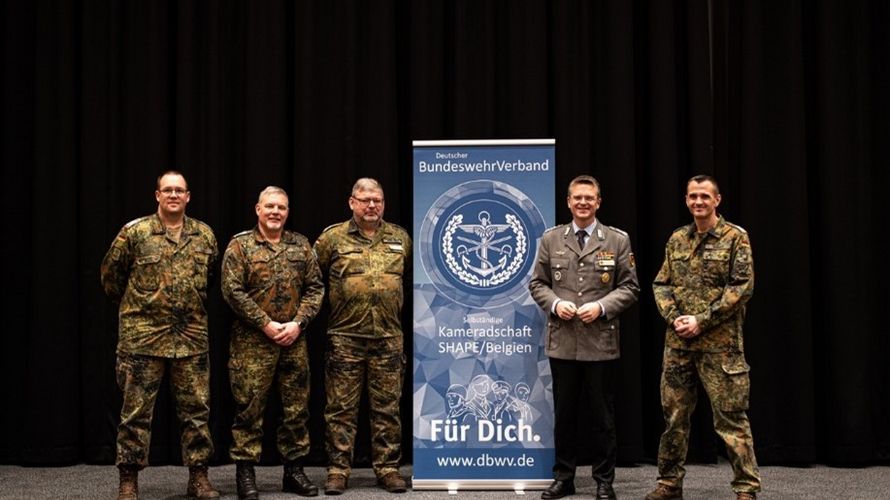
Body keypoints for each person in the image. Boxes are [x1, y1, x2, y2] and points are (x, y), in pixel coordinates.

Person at [100, 171, 219, 500]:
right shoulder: (135, 233)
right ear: (157, 195)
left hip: (191, 338)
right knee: (135, 413)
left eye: (179, 190)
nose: (173, 195)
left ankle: (198, 477)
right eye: (167, 190)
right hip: (143, 338)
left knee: (196, 411)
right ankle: (128, 479)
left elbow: (209, 279)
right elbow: (111, 279)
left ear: (188, 196)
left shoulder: (204, 236)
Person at [646, 175, 760, 500]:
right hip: (679, 345)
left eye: (705, 197)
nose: (699, 202)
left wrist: (702, 320)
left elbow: (742, 287)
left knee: (731, 419)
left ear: (717, 200)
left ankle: (746, 488)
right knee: (674, 419)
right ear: (686, 200)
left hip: (721, 347)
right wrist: (674, 318)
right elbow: (661, 284)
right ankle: (669, 484)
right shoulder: (677, 239)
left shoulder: (735, 237)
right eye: (693, 196)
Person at [529, 175, 640, 500]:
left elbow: (630, 287)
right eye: (577, 198)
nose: (583, 203)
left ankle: (604, 480)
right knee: (565, 416)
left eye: (589, 198)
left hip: (599, 343)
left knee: (602, 418)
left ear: (598, 202)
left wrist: (602, 307)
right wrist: (556, 303)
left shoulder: (617, 240)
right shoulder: (551, 239)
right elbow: (538, 283)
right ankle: (564, 477)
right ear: (568, 201)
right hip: (562, 341)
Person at [221, 186, 325, 499]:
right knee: (249, 409)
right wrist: (265, 324)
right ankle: (245, 473)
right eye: (270, 206)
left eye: (281, 207)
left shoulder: (301, 245)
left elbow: (316, 288)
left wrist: (298, 323)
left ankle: (293, 472)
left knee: (296, 410)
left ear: (287, 211)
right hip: (252, 343)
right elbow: (232, 291)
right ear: (257, 209)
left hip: (294, 341)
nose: (275, 212)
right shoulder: (240, 246)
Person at [313, 178, 412, 495]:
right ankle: (338, 470)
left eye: (378, 200)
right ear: (352, 202)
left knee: (387, 408)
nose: (372, 206)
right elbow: (312, 280)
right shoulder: (332, 238)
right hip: (345, 337)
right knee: (340, 409)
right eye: (366, 199)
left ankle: (388, 468)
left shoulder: (399, 237)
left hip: (388, 338)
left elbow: (408, 281)